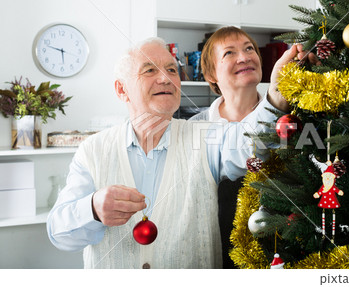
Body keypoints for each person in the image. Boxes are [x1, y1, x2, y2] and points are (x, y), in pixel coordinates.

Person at [46, 37, 298, 269]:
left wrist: (276, 95)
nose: (165, 78)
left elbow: (249, 142)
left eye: (171, 70)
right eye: (150, 70)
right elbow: (59, 234)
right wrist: (92, 208)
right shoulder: (93, 150)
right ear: (121, 90)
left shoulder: (206, 136)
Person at [189, 26, 318, 267]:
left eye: (249, 49)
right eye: (229, 53)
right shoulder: (194, 129)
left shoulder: (292, 119)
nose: (244, 56)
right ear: (211, 75)